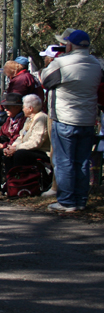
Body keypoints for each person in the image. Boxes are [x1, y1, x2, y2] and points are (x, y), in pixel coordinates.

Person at [41, 29, 102, 212]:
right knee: (82, 161)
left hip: (64, 117)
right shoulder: (97, 64)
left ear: (69, 45)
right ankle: (80, 199)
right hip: (88, 119)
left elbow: (46, 81)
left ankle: (67, 201)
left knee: (64, 160)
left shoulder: (61, 63)